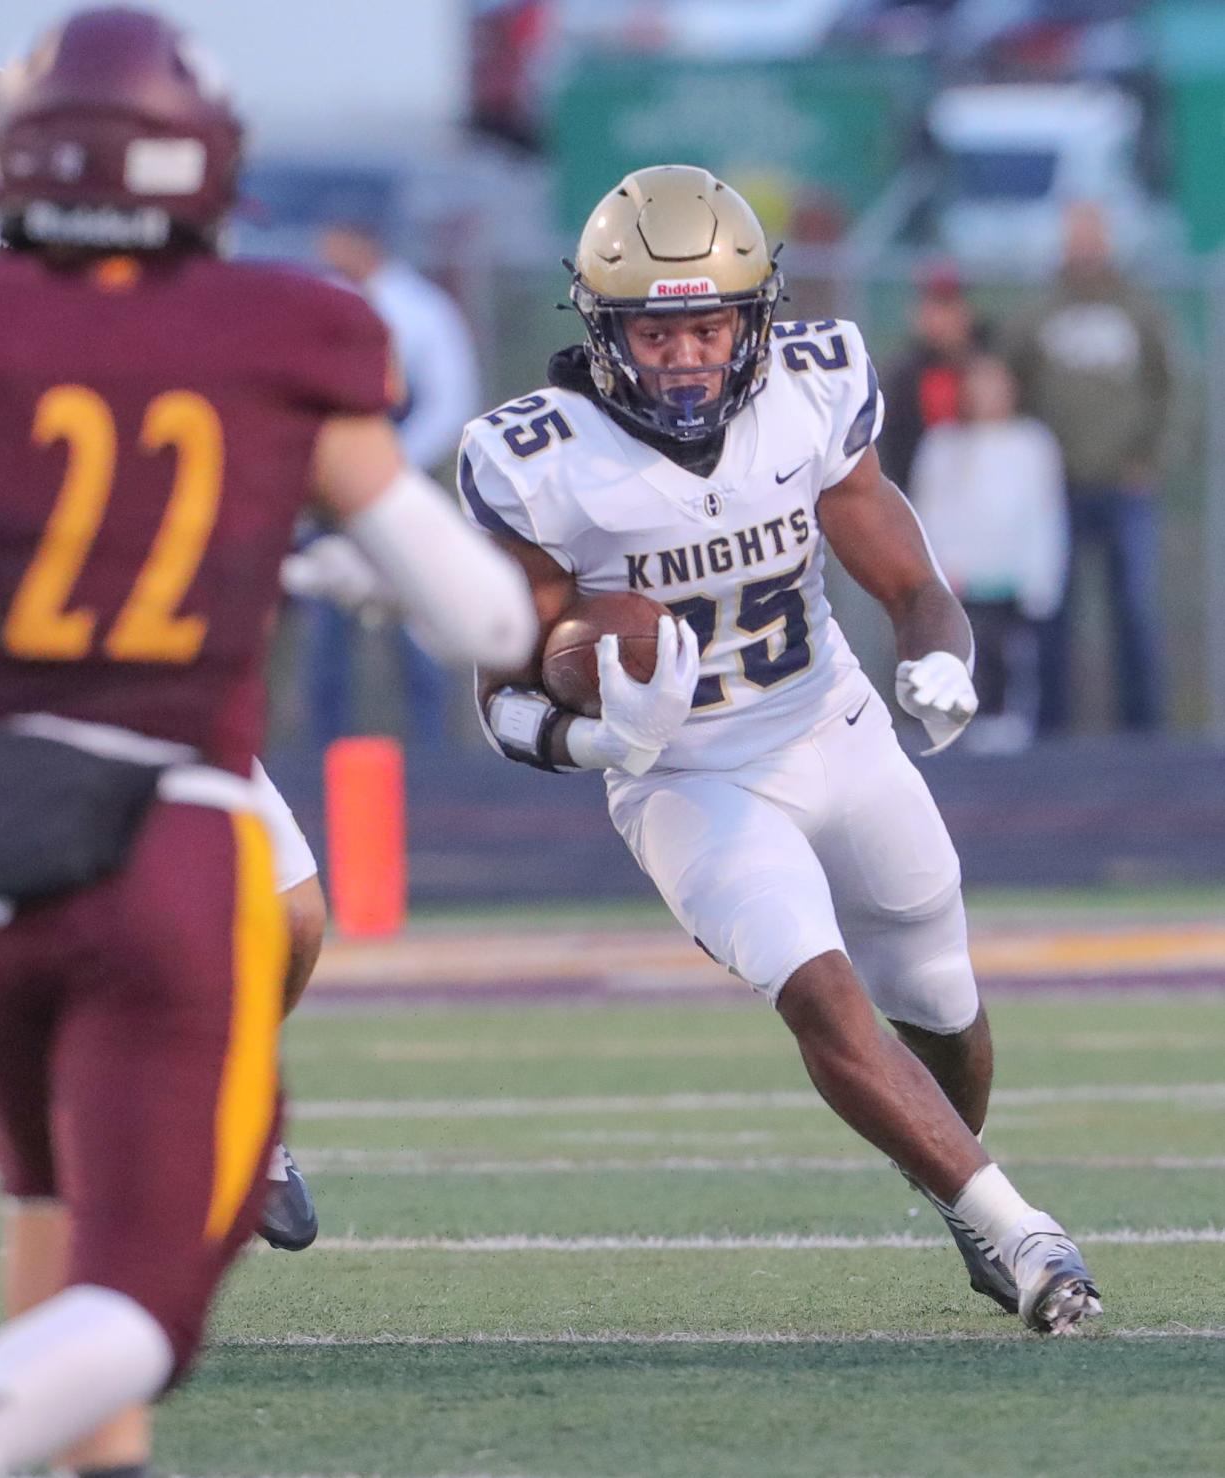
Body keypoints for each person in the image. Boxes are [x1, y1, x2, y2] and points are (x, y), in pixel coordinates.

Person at [0, 14, 536, 1478]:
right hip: (164, 837)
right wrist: (349, 557)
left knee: (48, 1198)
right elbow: (485, 618)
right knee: (154, 1288)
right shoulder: (274, 328)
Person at [462, 165, 1100, 1334]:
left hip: (833, 726)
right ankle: (1023, 1231)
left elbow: (909, 572)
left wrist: (938, 651)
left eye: (710, 324)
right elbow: (502, 698)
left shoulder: (815, 388)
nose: (689, 355)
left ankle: (960, 1192)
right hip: (690, 778)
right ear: (606, 332)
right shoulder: (539, 458)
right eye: (659, 331)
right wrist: (604, 727)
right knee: (821, 988)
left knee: (944, 1004)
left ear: (756, 319)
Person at [302, 207, 484, 750]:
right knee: (328, 624)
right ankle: (319, 755)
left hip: (403, 483)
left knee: (417, 617)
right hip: (332, 492)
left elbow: (450, 401)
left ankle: (432, 758)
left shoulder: (420, 309)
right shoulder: (322, 301)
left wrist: (386, 463)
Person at [1004, 201, 1173, 734]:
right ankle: (1053, 732)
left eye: (1093, 236)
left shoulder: (1139, 309)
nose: (1084, 247)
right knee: (1052, 613)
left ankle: (1145, 734)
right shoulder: (1039, 311)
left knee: (1134, 612)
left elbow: (1170, 389)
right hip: (1057, 489)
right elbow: (1012, 385)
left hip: (1125, 487)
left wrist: (1151, 456)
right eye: (1075, 236)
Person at [908, 352, 1069, 752]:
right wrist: (938, 574)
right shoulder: (942, 446)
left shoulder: (1032, 444)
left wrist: (1039, 578)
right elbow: (926, 513)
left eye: (995, 384)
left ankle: (1006, 725)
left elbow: (1044, 514)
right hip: (960, 582)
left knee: (1009, 659)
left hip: (1010, 582)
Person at [876, 260, 983, 494]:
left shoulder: (987, 367)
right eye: (933, 306)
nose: (941, 318)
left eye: (948, 306)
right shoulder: (902, 379)